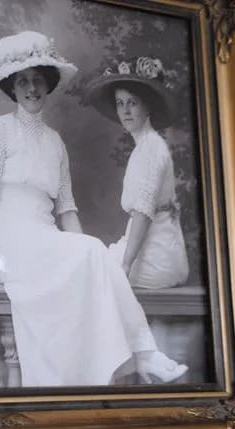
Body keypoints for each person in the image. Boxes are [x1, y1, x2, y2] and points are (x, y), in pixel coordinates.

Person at [0, 31, 187, 386]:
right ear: (11, 87)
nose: (32, 88)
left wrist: (83, 254)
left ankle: (138, 356)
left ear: (48, 83)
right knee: (91, 252)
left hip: (45, 240)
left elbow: (67, 210)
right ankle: (146, 354)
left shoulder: (55, 142)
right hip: (8, 246)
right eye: (22, 81)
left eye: (38, 79)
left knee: (92, 250)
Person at [87, 57, 189, 289]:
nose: (125, 110)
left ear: (148, 106)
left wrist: (124, 265)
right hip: (160, 253)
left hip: (157, 259)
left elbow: (142, 214)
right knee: (89, 260)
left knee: (88, 269)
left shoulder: (151, 148)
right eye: (120, 103)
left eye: (132, 102)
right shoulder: (146, 146)